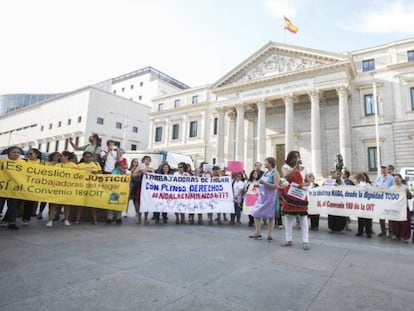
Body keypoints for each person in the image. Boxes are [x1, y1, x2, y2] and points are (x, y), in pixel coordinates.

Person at [280, 151, 310, 250]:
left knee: (303, 219)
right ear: (290, 158)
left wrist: (304, 184)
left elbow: (308, 181)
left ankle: (305, 241)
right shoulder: (285, 167)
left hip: (300, 195)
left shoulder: (304, 169)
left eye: (297, 158)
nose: (295, 160)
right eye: (294, 158)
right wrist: (295, 168)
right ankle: (288, 239)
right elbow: (286, 178)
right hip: (290, 195)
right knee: (289, 219)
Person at [249, 157, 280, 241]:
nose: (264, 163)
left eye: (266, 162)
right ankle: (257, 232)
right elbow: (262, 183)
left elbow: (275, 186)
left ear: (270, 163)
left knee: (270, 215)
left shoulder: (275, 173)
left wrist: (264, 183)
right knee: (256, 213)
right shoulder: (266, 172)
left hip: (271, 197)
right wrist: (258, 185)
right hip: (262, 196)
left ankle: (270, 234)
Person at [46, 151, 77, 227]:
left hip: (68, 187)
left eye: (62, 155)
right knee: (54, 204)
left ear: (66, 157)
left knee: (67, 204)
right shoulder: (57, 165)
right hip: (58, 187)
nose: (60, 157)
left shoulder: (73, 165)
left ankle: (66, 219)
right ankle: (50, 220)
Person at [0, 147, 25, 230]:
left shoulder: (23, 163)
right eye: (14, 152)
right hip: (2, 188)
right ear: (9, 153)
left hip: (14, 188)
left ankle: (12, 222)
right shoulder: (2, 161)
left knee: (13, 207)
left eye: (18, 152)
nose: (16, 154)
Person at [76, 151, 102, 224]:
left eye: (89, 157)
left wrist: (96, 173)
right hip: (82, 186)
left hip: (93, 186)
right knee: (80, 204)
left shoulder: (96, 164)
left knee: (92, 204)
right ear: (83, 157)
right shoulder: (79, 165)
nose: (88, 158)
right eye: (86, 157)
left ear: (91, 157)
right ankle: (77, 220)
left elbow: (101, 173)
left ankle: (95, 220)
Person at [22, 148, 45, 226]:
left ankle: (26, 219)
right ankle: (8, 219)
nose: (28, 155)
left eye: (30, 154)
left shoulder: (42, 163)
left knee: (30, 204)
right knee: (16, 203)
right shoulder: (23, 161)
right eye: (27, 154)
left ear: (37, 155)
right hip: (21, 184)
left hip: (34, 186)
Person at [37, 152, 61, 220]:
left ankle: (51, 213)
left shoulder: (61, 165)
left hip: (56, 184)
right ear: (52, 156)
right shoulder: (47, 164)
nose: (57, 157)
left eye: (59, 156)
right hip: (47, 183)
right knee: (44, 199)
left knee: (52, 200)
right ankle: (40, 212)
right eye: (56, 156)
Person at [389, 173, 412, 243]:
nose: (396, 180)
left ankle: (405, 236)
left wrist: (408, 192)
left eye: (397, 178)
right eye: (395, 179)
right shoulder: (391, 188)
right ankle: (396, 235)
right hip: (395, 208)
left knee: (405, 223)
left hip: (404, 208)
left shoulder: (405, 187)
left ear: (401, 179)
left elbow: (410, 197)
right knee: (395, 223)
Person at [132, 155, 154, 224]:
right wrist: (141, 171)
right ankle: (139, 217)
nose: (147, 161)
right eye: (146, 159)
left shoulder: (151, 168)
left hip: (147, 188)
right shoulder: (140, 167)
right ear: (143, 160)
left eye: (149, 160)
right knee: (138, 202)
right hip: (140, 185)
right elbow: (133, 175)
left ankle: (146, 217)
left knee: (147, 202)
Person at [375, 165, 394, 237]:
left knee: (389, 215)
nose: (382, 171)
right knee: (381, 215)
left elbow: (393, 187)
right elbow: (376, 185)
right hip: (380, 198)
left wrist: (387, 189)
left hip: (388, 198)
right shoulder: (379, 177)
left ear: (387, 170)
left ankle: (391, 231)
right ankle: (383, 231)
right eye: (381, 170)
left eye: (384, 169)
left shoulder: (391, 178)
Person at [107, 160, 126, 225]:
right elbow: (114, 179)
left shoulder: (122, 172)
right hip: (114, 189)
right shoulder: (114, 171)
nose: (122, 167)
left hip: (120, 190)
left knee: (119, 204)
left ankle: (118, 218)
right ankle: (110, 218)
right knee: (112, 203)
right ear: (117, 166)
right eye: (121, 165)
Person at [355, 173, 373, 238]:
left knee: (367, 219)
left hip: (367, 204)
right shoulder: (358, 185)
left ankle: (368, 232)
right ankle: (360, 231)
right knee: (360, 219)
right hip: (360, 203)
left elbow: (371, 192)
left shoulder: (368, 185)